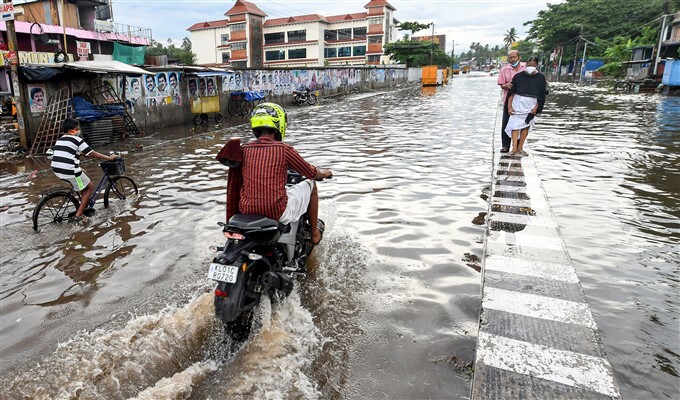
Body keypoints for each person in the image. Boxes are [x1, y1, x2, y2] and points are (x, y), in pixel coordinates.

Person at [226, 103, 332, 245]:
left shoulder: (244, 149)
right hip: (276, 211)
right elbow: (311, 173)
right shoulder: (284, 149)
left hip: (246, 209)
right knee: (311, 185)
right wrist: (325, 173)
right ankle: (314, 234)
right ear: (279, 123)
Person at [50, 118, 118, 224]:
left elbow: (70, 153)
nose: (78, 131)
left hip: (58, 170)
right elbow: (92, 153)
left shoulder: (61, 139)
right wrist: (109, 158)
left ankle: (83, 206)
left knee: (82, 185)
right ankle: (79, 215)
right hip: (70, 171)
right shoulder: (77, 140)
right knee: (90, 187)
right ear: (70, 131)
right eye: (76, 129)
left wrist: (78, 166)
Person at [505, 56, 547, 156]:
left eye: (533, 65)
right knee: (515, 126)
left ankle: (520, 147)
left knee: (525, 126)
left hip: (531, 105)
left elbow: (541, 95)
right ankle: (514, 148)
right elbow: (511, 93)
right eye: (529, 65)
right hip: (518, 104)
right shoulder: (518, 77)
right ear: (526, 64)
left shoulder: (541, 78)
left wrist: (536, 107)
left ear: (537, 65)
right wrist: (509, 106)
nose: (530, 67)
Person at [497, 50, 526, 153]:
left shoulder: (525, 68)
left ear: (519, 57)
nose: (512, 59)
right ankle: (505, 145)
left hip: (523, 101)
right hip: (508, 99)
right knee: (506, 123)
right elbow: (501, 84)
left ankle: (518, 146)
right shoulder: (505, 70)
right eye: (510, 57)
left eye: (514, 57)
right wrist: (506, 85)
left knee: (521, 124)